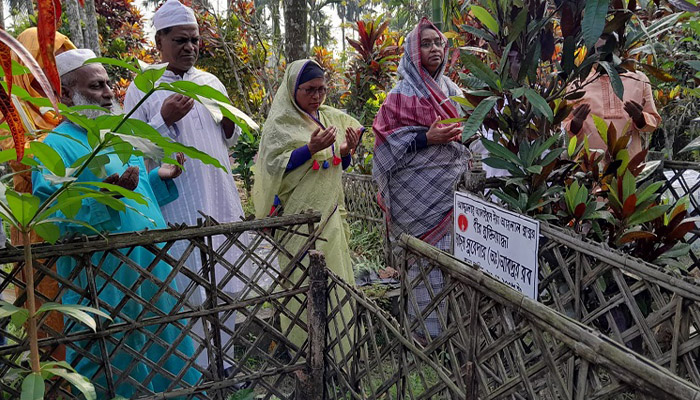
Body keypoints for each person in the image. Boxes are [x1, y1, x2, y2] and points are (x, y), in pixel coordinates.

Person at [32, 49, 201, 397]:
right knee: (114, 358)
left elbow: (137, 199)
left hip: (150, 266)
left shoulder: (121, 136)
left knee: (167, 347)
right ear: (65, 94)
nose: (110, 92)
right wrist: (106, 195)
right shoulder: (53, 147)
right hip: (102, 275)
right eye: (97, 85)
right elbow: (52, 215)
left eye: (109, 83)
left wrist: (159, 178)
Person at [124, 0, 249, 373]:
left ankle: (224, 365)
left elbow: (230, 136)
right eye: (180, 40)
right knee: (182, 290)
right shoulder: (143, 87)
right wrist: (163, 119)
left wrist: (228, 123)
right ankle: (191, 371)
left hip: (218, 198)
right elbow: (131, 147)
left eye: (194, 40)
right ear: (159, 41)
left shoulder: (210, 82)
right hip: (174, 207)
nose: (190, 47)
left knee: (223, 287)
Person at [252, 59, 363, 358]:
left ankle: (340, 353)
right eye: (310, 90)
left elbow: (332, 165)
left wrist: (346, 151)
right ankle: (304, 353)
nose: (317, 96)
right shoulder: (280, 124)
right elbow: (274, 167)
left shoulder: (328, 119)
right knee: (301, 283)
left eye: (323, 90)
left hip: (329, 217)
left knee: (336, 280)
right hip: (297, 221)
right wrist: (308, 149)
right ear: (292, 89)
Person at [372, 18, 471, 341]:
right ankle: (422, 336)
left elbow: (472, 133)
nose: (434, 49)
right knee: (420, 264)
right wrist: (426, 137)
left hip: (449, 195)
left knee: (452, 262)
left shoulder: (455, 93)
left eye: (438, 43)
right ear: (414, 52)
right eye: (426, 44)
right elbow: (385, 143)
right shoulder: (397, 97)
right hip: (414, 199)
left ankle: (452, 334)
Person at [1, 28, 77, 348]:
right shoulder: (10, 111)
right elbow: (22, 157)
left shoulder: (69, 111)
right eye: (45, 63)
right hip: (37, 226)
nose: (52, 73)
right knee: (47, 313)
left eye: (59, 64)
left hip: (78, 219)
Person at [563, 33, 661, 158]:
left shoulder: (639, 79)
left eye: (609, 48)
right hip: (588, 164)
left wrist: (640, 118)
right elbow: (563, 130)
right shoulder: (577, 83)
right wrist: (576, 123)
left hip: (627, 163)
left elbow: (654, 122)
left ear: (619, 48)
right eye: (598, 50)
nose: (604, 55)